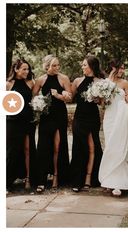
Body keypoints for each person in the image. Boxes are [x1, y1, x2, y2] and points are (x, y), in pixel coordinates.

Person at [33, 55, 71, 193]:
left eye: (58, 65)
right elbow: (33, 96)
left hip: (60, 115)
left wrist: (59, 96)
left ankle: (56, 176)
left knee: (58, 146)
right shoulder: (40, 80)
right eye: (54, 65)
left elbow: (69, 97)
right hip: (45, 116)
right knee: (43, 146)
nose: (57, 68)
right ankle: (41, 180)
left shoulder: (64, 78)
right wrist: (38, 104)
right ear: (47, 66)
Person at [98, 59, 128, 196]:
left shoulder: (124, 83)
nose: (122, 71)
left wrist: (127, 104)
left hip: (120, 116)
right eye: (120, 68)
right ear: (113, 68)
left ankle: (120, 182)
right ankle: (109, 180)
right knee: (110, 146)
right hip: (109, 117)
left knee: (120, 146)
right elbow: (102, 104)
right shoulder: (105, 83)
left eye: (123, 68)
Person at [70, 55, 103, 192]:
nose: (82, 67)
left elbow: (102, 102)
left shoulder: (101, 82)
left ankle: (90, 178)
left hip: (92, 117)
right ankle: (77, 180)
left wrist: (98, 99)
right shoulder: (77, 81)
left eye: (84, 65)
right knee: (78, 148)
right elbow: (70, 98)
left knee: (92, 146)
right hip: (79, 117)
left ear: (92, 66)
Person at [6, 58, 37, 191]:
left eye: (28, 69)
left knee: (28, 149)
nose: (26, 71)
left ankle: (28, 179)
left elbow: (35, 100)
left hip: (28, 121)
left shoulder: (31, 83)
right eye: (24, 69)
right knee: (12, 151)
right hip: (13, 122)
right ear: (16, 69)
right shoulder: (8, 84)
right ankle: (7, 181)